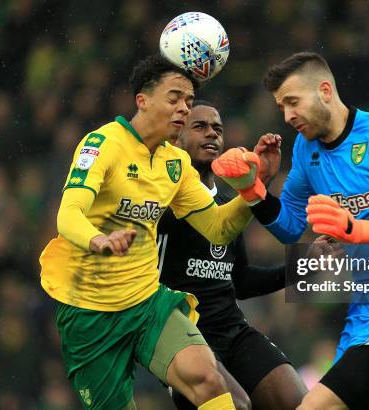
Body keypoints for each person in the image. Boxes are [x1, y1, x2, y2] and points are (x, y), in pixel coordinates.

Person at [212, 52, 369, 410]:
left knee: (313, 407)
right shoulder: (307, 151)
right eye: (281, 107)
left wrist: (359, 229)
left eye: (292, 102)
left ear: (325, 90)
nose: (287, 116)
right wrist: (253, 190)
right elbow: (290, 228)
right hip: (361, 314)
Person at [39, 54, 261, 410]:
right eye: (174, 98)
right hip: (89, 313)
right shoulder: (103, 144)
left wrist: (252, 189)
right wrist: (99, 239)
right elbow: (69, 214)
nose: (184, 109)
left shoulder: (176, 162)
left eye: (188, 101)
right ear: (142, 100)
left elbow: (218, 229)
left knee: (209, 381)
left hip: (146, 302)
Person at [158, 100, 308, 410]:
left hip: (232, 329)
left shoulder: (230, 206)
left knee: (299, 402)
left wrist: (301, 268)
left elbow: (240, 281)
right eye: (199, 126)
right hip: (181, 335)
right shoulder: (162, 199)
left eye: (217, 128)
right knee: (236, 406)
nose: (211, 133)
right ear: (177, 139)